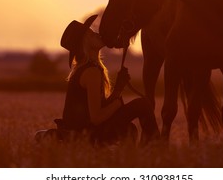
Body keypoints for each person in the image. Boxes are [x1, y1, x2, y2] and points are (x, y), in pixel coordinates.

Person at [57, 14, 160, 146]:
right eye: (92, 34)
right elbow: (96, 118)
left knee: (129, 128)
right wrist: (117, 103)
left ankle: (148, 151)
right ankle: (155, 148)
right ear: (85, 42)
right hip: (88, 136)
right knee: (143, 104)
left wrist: (118, 88)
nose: (97, 34)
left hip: (85, 132)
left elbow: (98, 110)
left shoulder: (86, 70)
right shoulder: (91, 72)